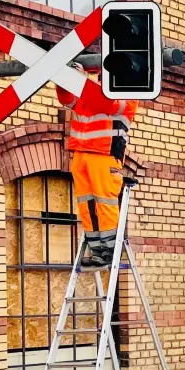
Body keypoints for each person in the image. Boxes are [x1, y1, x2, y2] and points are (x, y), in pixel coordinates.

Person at [57, 64, 137, 267]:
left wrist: (82, 80)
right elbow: (66, 99)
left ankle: (109, 251)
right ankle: (97, 251)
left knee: (104, 203)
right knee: (87, 206)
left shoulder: (127, 97)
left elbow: (105, 103)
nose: (101, 81)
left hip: (104, 155)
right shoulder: (88, 93)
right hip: (81, 155)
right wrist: (64, 78)